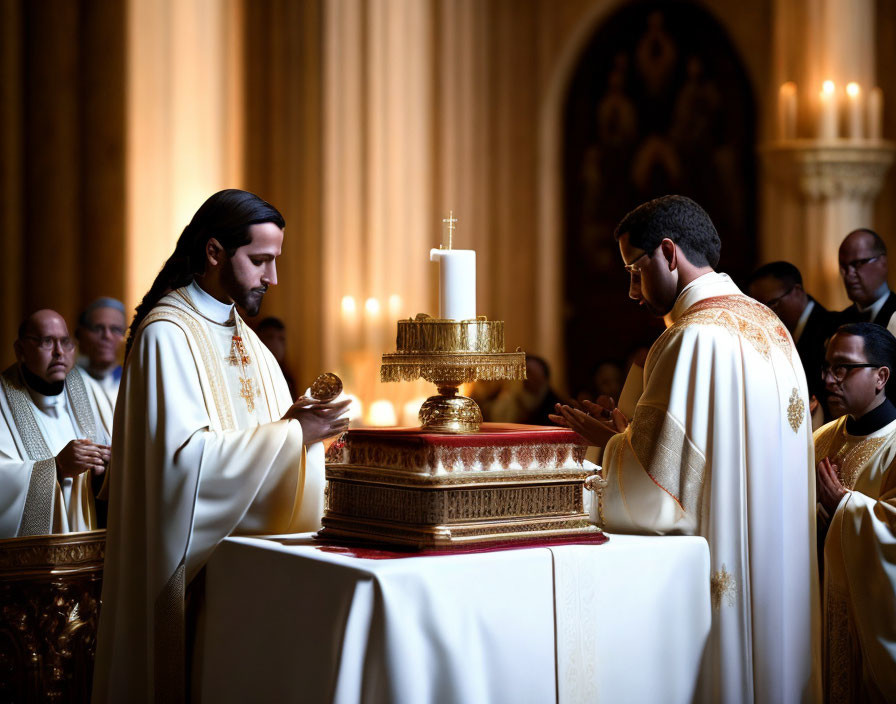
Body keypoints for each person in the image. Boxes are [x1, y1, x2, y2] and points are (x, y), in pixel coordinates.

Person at [551, 195, 820, 702]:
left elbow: (656, 494)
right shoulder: (773, 327)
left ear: (669, 253)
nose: (632, 291)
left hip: (718, 567)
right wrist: (626, 437)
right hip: (779, 574)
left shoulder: (690, 339)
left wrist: (606, 448)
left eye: (635, 269)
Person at [92, 189, 350, 703]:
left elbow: (272, 439)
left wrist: (313, 438)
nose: (272, 278)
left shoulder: (246, 339)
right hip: (191, 579)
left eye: (274, 262)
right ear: (214, 253)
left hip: (250, 573)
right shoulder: (166, 334)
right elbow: (180, 469)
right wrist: (293, 435)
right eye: (260, 261)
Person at [813, 323, 896, 701]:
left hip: (870, 617)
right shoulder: (819, 438)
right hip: (817, 606)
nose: (830, 379)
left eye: (844, 368)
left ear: (881, 377)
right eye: (828, 367)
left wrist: (845, 506)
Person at [0, 310, 112, 537]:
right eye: (46, 342)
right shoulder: (4, 398)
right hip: (37, 560)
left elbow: (116, 452)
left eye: (65, 342)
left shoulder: (89, 389)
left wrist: (104, 471)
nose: (59, 352)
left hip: (93, 548)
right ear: (20, 350)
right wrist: (57, 467)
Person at [747, 260, 839, 426]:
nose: (766, 314)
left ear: (797, 291)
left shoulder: (832, 329)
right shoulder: (769, 339)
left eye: (771, 304)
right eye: (759, 308)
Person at [838, 228, 896, 334]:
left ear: (883, 262)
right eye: (844, 267)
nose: (849, 274)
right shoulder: (838, 323)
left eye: (858, 264)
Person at [75, 297, 127, 407]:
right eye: (98, 328)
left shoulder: (131, 383)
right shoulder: (70, 381)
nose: (107, 336)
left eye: (115, 329)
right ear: (81, 334)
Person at [255, 316, 297, 399]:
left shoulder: (288, 379)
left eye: (281, 339)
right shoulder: (251, 374)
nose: (276, 344)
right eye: (270, 337)